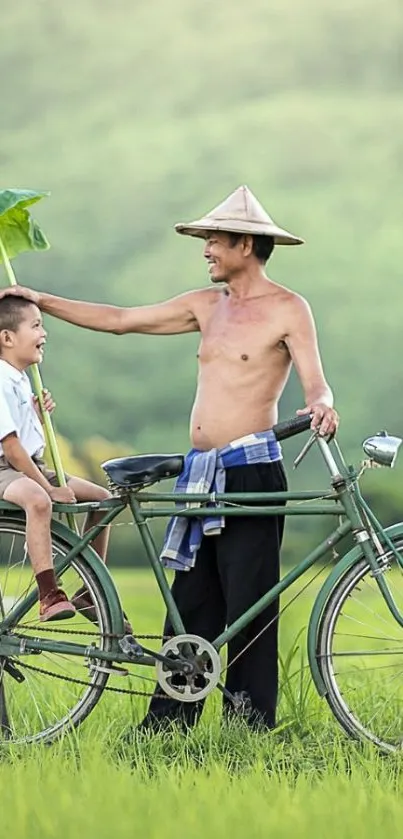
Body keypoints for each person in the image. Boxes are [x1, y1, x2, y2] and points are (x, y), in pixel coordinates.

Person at [0, 185, 338, 728]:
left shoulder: (288, 309)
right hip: (198, 473)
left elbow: (316, 385)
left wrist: (322, 406)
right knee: (192, 603)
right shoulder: (205, 305)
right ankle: (165, 725)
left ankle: (246, 725)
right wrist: (42, 301)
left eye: (213, 240)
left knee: (249, 601)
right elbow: (121, 319)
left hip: (251, 470)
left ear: (246, 245)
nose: (205, 248)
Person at [0, 294, 114, 622]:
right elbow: (11, 448)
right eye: (36, 325)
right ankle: (49, 594)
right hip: (6, 468)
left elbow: (26, 438)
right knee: (39, 501)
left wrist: (35, 414)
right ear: (7, 338)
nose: (44, 333)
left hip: (28, 466)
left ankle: (88, 592)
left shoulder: (20, 378)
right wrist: (49, 490)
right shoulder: (1, 379)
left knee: (102, 500)